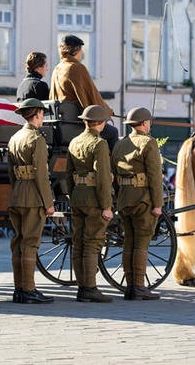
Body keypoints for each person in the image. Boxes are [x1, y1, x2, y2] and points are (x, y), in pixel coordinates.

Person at [111, 107, 163, 301]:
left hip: (125, 198)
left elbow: (113, 175)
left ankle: (130, 286)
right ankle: (138, 286)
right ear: (143, 123)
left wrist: (119, 196)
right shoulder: (148, 143)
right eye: (149, 122)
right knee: (141, 243)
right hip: (143, 199)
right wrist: (158, 204)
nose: (150, 125)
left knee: (129, 243)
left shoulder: (120, 144)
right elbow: (155, 177)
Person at [7, 98, 56, 304]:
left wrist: (17, 188)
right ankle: (28, 289)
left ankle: (19, 289)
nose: (43, 117)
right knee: (30, 244)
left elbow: (10, 171)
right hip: (34, 197)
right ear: (36, 114)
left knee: (18, 242)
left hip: (17, 193)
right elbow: (41, 175)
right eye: (42, 113)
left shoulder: (15, 137)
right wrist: (48, 202)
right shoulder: (37, 139)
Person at [66, 105, 114, 303]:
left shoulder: (74, 142)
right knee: (93, 243)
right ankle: (90, 288)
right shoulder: (99, 144)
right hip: (94, 199)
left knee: (79, 243)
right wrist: (107, 206)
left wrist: (73, 194)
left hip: (77, 196)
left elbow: (68, 174)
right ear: (101, 123)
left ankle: (82, 287)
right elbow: (103, 177)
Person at [49, 34, 119, 150]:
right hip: (78, 123)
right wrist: (107, 112)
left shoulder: (58, 68)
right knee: (112, 132)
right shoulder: (77, 68)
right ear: (78, 50)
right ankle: (112, 167)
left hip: (63, 124)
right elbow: (92, 96)